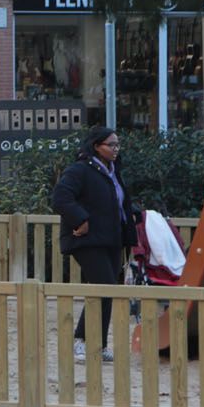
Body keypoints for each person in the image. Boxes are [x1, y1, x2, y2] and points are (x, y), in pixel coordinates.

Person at [51, 126, 138, 360]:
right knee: (103, 285)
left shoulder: (112, 170)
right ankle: (81, 341)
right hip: (87, 240)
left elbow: (116, 202)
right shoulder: (80, 170)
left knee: (106, 290)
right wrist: (80, 219)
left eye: (118, 144)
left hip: (111, 238)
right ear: (96, 146)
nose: (116, 149)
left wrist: (136, 214)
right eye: (111, 145)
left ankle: (98, 344)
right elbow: (60, 198)